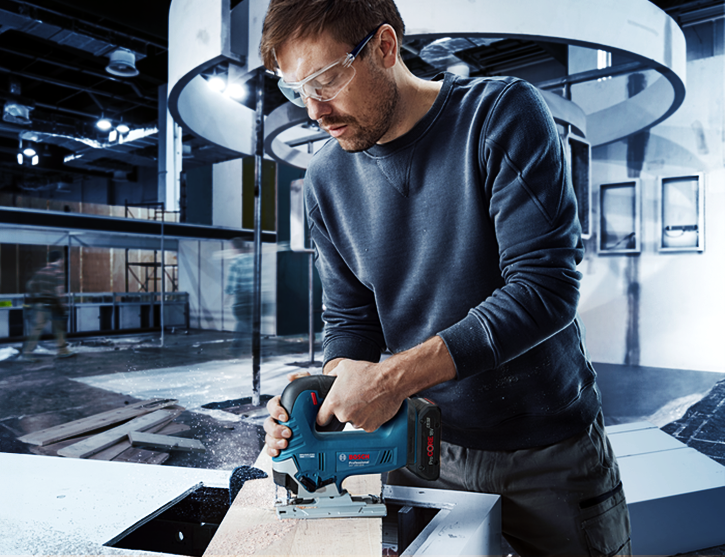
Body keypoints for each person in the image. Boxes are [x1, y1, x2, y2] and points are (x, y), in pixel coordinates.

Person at [259, 1, 631, 554]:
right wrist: (322, 400)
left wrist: (389, 381)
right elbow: (350, 322)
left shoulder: (499, 115)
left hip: (547, 456)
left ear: (384, 47)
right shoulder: (325, 180)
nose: (314, 110)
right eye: (296, 90)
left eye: (325, 79)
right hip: (419, 454)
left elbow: (544, 288)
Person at [21, 250, 74, 360]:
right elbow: (59, 291)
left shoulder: (41, 272)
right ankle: (62, 350)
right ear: (60, 260)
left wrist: (35, 297)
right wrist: (63, 306)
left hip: (40, 304)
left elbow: (30, 285)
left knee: (37, 328)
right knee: (59, 327)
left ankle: (27, 352)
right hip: (54, 304)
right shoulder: (58, 272)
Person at [225, 237, 255, 356]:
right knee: (249, 323)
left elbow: (231, 285)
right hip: (254, 295)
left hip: (242, 296)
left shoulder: (235, 262)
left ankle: (236, 349)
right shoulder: (252, 259)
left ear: (233, 247)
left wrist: (227, 299)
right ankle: (258, 349)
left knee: (242, 322)